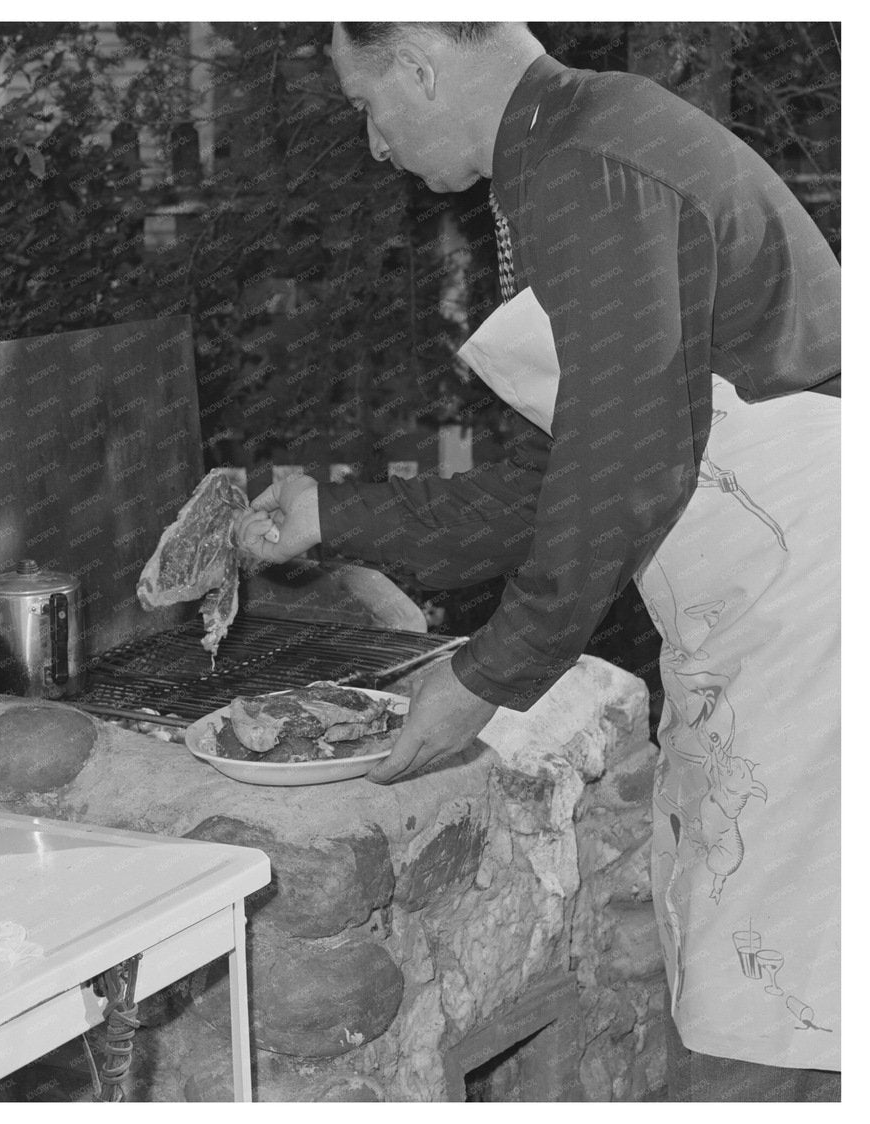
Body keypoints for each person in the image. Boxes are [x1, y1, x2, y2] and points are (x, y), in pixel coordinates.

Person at [237, 21, 839, 1100]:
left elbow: (624, 466)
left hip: (822, 616)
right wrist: (334, 515)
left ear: (421, 64)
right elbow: (545, 488)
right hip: (762, 609)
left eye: (365, 105)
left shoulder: (588, 163)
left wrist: (484, 677)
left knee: (790, 1020)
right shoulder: (559, 152)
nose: (373, 146)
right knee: (759, 982)